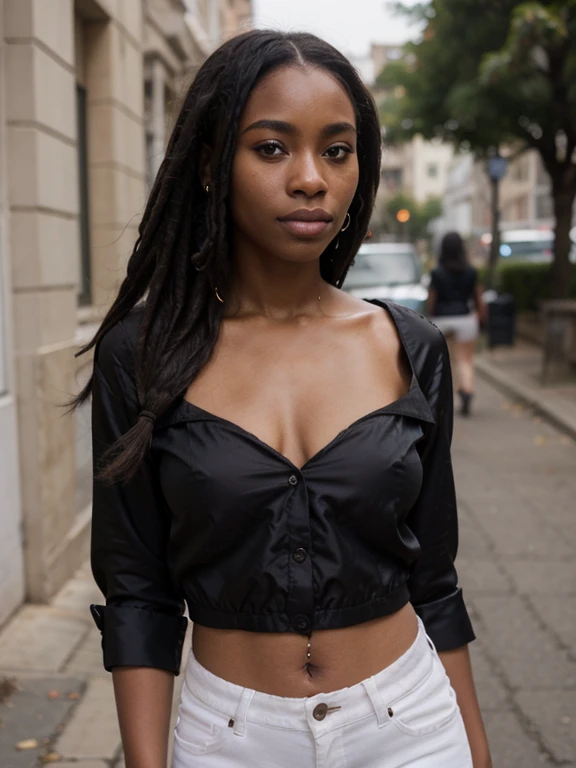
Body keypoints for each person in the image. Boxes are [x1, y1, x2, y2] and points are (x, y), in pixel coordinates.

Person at [74, 30, 491, 768]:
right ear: (210, 166)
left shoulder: (409, 348)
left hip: (411, 723)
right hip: (228, 738)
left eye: (337, 150)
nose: (311, 179)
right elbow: (138, 592)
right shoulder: (139, 358)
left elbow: (434, 578)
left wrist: (475, 750)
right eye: (271, 148)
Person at [427, 232, 487, 417]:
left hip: (442, 320)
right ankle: (467, 391)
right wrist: (481, 317)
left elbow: (431, 300)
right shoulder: (471, 271)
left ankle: (440, 400)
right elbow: (478, 298)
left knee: (442, 362)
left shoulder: (436, 273)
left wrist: (429, 317)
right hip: (465, 319)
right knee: (465, 360)